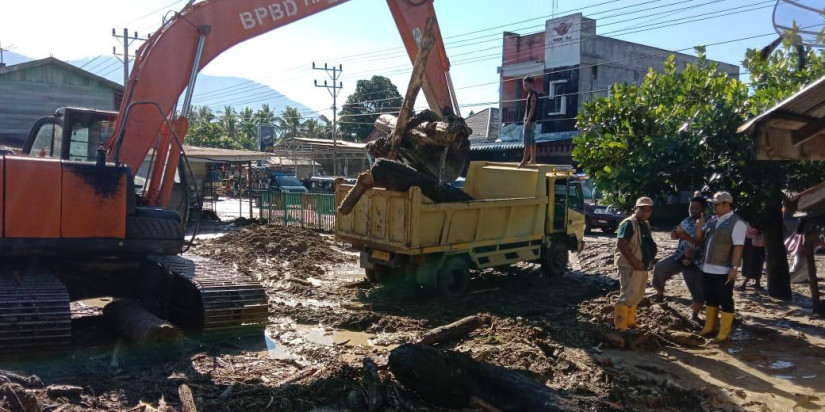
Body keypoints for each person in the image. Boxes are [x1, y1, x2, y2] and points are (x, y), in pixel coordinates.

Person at [682, 191, 746, 342]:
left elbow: (738, 247)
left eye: (716, 204)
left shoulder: (737, 223)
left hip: (723, 269)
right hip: (707, 267)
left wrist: (734, 268)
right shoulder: (712, 220)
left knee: (725, 299)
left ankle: (723, 333)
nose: (713, 207)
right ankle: (709, 328)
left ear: (727, 204)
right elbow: (700, 240)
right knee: (710, 298)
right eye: (712, 204)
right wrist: (699, 227)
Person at [652, 197, 705, 320]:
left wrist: (687, 237)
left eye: (696, 208)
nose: (692, 211)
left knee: (696, 290)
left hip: (696, 261)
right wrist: (674, 234)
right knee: (660, 268)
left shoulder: (707, 223)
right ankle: (660, 294)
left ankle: (695, 316)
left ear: (703, 209)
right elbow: (673, 235)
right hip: (679, 256)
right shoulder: (686, 220)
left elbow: (703, 242)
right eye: (690, 208)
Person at [613, 197, 658, 331]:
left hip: (641, 265)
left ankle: (630, 322)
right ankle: (620, 327)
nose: (645, 213)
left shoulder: (645, 224)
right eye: (642, 209)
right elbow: (621, 244)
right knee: (627, 295)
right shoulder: (628, 224)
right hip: (630, 265)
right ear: (635, 209)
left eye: (648, 210)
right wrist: (634, 262)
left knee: (636, 295)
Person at [517, 76, 538, 168]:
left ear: (530, 84)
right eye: (523, 84)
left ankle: (524, 161)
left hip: (530, 121)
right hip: (531, 121)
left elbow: (532, 108)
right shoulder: (530, 94)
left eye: (525, 84)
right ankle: (533, 159)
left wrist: (528, 121)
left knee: (527, 141)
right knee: (532, 141)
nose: (524, 86)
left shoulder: (533, 94)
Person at [738, 225, 765, 290]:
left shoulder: (754, 220)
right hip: (756, 244)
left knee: (753, 264)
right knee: (756, 263)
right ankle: (757, 283)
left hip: (755, 244)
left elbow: (750, 231)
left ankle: (744, 284)